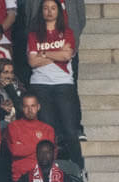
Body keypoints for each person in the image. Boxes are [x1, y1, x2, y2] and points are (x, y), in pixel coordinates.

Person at [26, 0, 83, 168]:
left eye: (53, 8)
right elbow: (32, 62)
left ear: (59, 11)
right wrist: (56, 54)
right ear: (41, 11)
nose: (49, 11)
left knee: (70, 130)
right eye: (45, 8)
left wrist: (43, 53)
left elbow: (67, 56)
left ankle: (79, 167)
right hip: (40, 85)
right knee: (48, 130)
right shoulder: (34, 35)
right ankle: (51, 168)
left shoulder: (67, 32)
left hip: (63, 83)